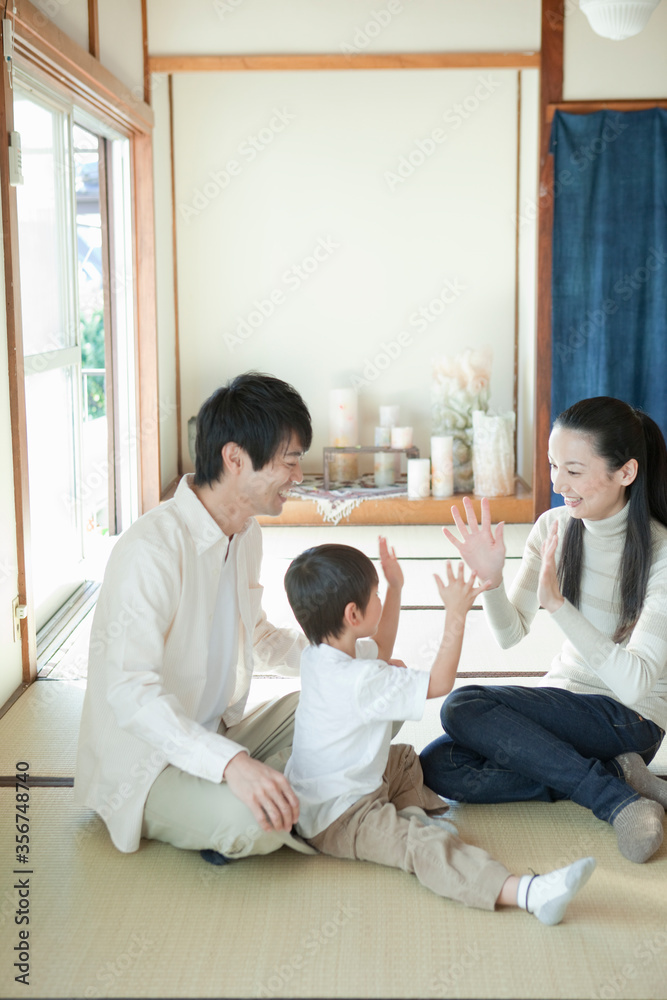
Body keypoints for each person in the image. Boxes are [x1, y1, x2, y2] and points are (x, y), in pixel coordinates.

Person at [283, 540, 596, 924]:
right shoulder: (361, 679)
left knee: (402, 759)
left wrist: (395, 588)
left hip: (325, 790)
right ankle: (528, 893)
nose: (380, 598)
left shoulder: (319, 655)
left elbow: (380, 650)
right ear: (353, 613)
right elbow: (440, 681)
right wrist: (456, 614)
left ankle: (410, 813)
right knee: (423, 846)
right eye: (376, 595)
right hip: (339, 818)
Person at [74, 372, 318, 863]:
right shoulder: (152, 549)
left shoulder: (246, 533)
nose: (298, 475)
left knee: (360, 698)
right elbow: (130, 692)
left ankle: (266, 787)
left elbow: (260, 635)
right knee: (258, 826)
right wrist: (230, 764)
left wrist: (347, 658)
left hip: (218, 736)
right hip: (149, 764)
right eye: (289, 461)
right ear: (234, 458)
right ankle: (264, 795)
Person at [420, 396, 667, 865]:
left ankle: (614, 801)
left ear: (626, 473)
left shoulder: (661, 553)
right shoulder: (553, 527)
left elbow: (635, 681)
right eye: (554, 466)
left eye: (573, 471)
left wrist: (557, 606)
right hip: (565, 705)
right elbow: (511, 634)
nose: (557, 485)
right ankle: (617, 775)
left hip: (631, 719)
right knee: (439, 765)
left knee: (464, 703)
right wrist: (491, 581)